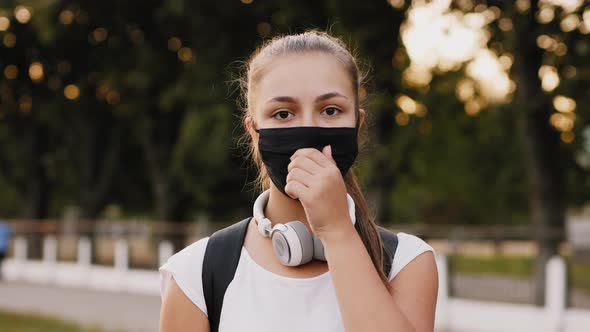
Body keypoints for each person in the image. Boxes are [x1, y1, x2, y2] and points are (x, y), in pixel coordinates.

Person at [159, 31, 438, 332]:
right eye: (283, 114)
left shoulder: (406, 262)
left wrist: (337, 231)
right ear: (254, 131)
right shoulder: (196, 274)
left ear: (357, 126)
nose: (308, 129)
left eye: (330, 110)